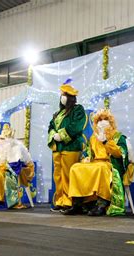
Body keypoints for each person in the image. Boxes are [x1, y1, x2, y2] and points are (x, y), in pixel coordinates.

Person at [64, 108, 127, 216]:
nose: (102, 122)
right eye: (99, 120)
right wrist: (86, 158)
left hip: (109, 163)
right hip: (95, 162)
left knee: (101, 168)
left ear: (110, 123)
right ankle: (78, 202)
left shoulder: (118, 136)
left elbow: (120, 154)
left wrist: (106, 142)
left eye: (105, 120)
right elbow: (89, 153)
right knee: (76, 167)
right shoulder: (93, 138)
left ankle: (102, 203)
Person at [48, 79, 86, 212]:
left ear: (70, 98)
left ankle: (70, 202)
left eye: (64, 95)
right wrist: (53, 134)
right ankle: (60, 200)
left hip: (70, 147)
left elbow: (76, 126)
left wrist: (62, 135)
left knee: (68, 175)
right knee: (57, 176)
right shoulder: (58, 114)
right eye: (61, 95)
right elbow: (51, 126)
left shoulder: (78, 109)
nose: (62, 97)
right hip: (57, 149)